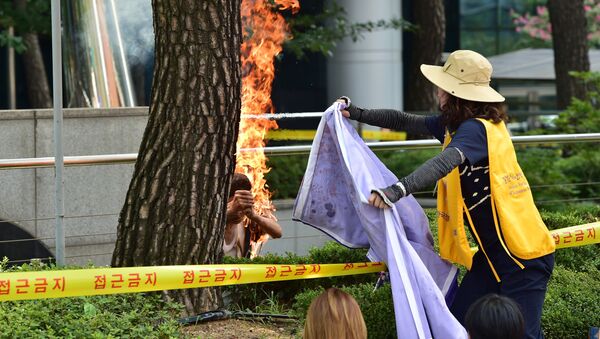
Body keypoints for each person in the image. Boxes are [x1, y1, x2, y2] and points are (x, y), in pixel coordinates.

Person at [337, 50, 555, 339]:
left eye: (442, 85)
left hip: (524, 258)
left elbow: (445, 161)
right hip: (491, 258)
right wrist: (357, 113)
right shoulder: (460, 126)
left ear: (455, 92)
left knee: (523, 336)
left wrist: (397, 190)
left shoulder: (476, 131)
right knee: (457, 326)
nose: (437, 90)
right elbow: (405, 120)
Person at [224, 172, 282, 258]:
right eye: (236, 205)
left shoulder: (247, 219)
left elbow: (277, 233)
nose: (240, 212)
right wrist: (228, 215)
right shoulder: (215, 219)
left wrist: (254, 216)